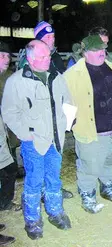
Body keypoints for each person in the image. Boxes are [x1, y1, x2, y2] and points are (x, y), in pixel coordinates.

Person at [1, 40, 72, 240]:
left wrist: (66, 123)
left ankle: (55, 212)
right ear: (30, 58)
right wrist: (25, 133)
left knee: (54, 178)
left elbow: (68, 101)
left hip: (55, 139)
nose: (47, 60)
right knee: (34, 180)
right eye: (42, 57)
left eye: (48, 56)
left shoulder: (57, 77)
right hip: (33, 140)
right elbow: (9, 112)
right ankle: (32, 220)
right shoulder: (17, 81)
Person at [64, 35, 112, 214]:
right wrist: (70, 124)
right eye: (96, 50)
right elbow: (65, 102)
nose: (101, 53)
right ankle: (88, 195)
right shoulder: (73, 75)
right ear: (85, 52)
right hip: (91, 130)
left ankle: (108, 187)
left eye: (103, 49)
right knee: (90, 165)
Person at [0, 41, 17, 246]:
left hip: (3, 133)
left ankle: (4, 203)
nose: (6, 59)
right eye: (2, 55)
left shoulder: (8, 77)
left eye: (7, 56)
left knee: (9, 168)